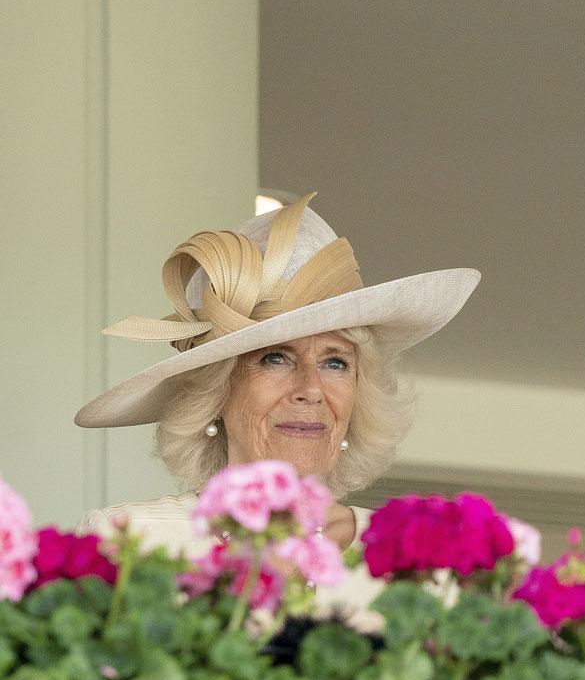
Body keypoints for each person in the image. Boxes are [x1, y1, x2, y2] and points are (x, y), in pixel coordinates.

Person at [75, 193, 479, 609]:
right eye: (275, 358)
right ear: (215, 392)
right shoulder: (126, 543)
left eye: (336, 362)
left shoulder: (417, 568)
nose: (311, 387)